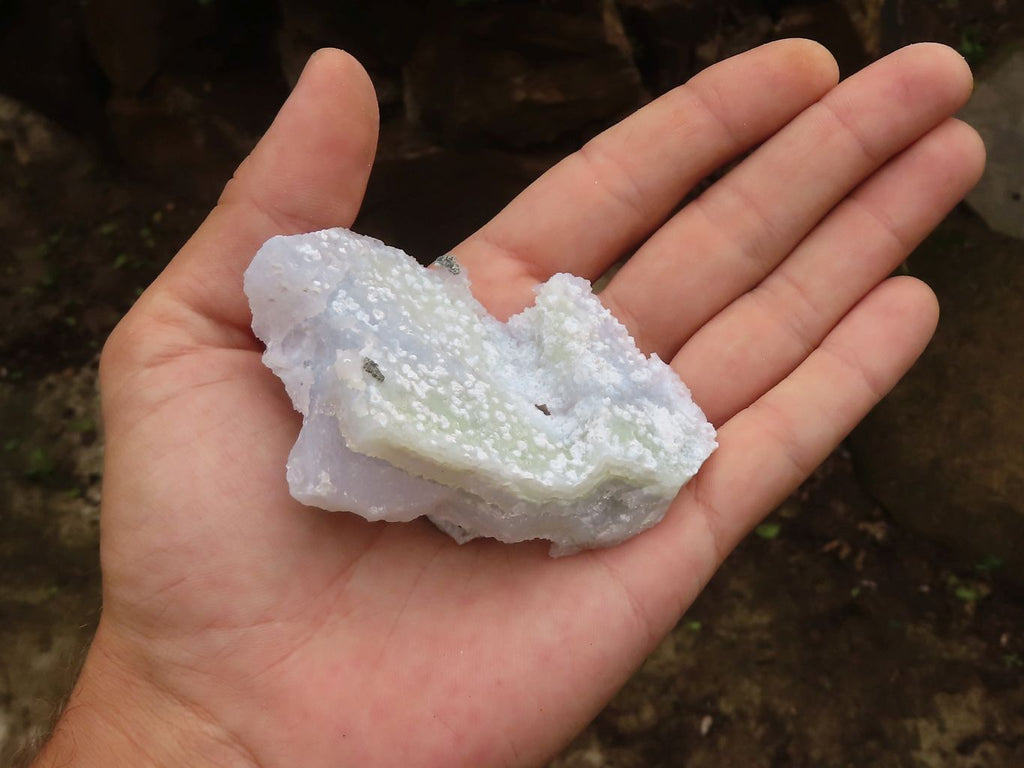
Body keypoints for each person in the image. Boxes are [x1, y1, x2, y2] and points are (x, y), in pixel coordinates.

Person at [30, 39, 982, 767]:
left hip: (578, 437)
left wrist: (181, 718)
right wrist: (183, 712)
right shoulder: (361, 381)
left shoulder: (466, 377)